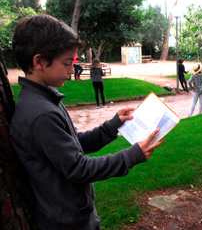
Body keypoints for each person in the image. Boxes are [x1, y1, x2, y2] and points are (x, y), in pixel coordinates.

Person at [10, 14, 165, 230]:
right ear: (39, 62)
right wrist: (131, 155)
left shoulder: (46, 99)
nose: (72, 69)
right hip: (67, 223)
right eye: (67, 63)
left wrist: (111, 126)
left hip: (76, 214)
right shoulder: (41, 115)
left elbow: (75, 144)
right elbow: (78, 168)